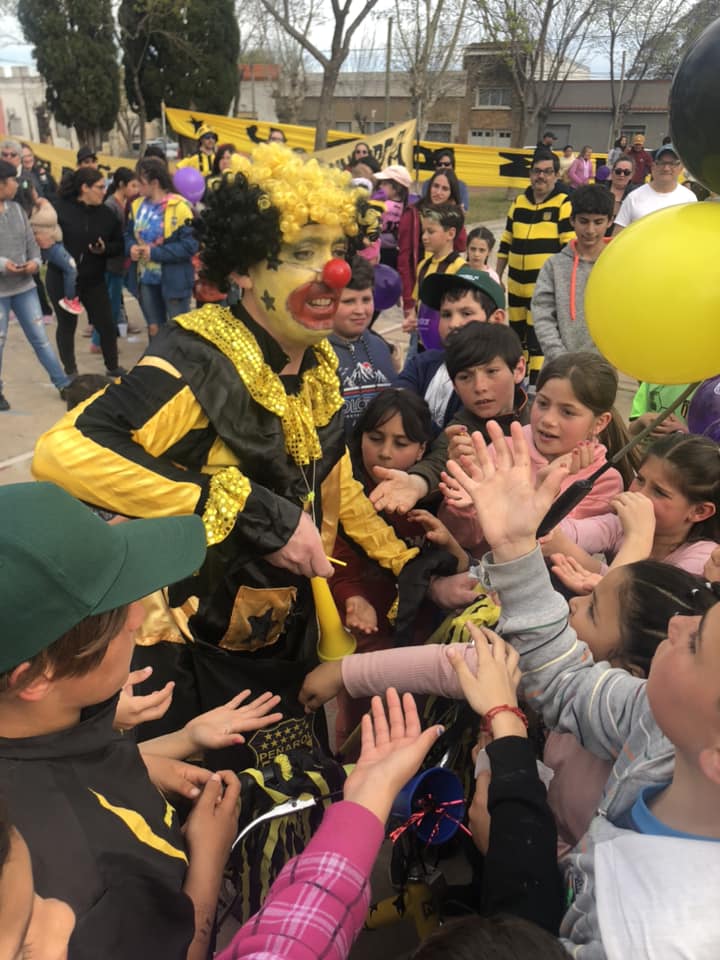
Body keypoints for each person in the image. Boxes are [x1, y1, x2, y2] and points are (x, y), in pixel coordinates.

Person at [33, 144, 463, 766]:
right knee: (212, 803)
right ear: (244, 268)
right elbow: (65, 452)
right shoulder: (200, 357)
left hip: (277, 634)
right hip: (189, 645)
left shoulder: (316, 364)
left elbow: (326, 482)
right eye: (300, 254)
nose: (334, 275)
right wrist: (243, 509)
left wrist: (406, 556)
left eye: (336, 252)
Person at [442, 421, 720, 958]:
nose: (682, 623)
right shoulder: (664, 730)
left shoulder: (658, 940)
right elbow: (566, 680)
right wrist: (516, 549)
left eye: (697, 642)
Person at [302, 559, 715, 861]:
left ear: (627, 672)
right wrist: (346, 671)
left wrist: (513, 834)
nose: (573, 602)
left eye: (592, 610)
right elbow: (459, 663)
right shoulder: (584, 682)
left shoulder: (644, 790)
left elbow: (575, 877)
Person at [0, 481, 244, 959]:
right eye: (115, 612)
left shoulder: (50, 721)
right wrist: (209, 862)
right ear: (35, 679)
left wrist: (142, 757)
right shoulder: (79, 893)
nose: (138, 616)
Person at [438, 350, 628, 554]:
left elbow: (551, 548)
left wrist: (546, 486)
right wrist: (465, 496)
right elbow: (462, 537)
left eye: (567, 412)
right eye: (543, 403)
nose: (548, 419)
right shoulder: (504, 451)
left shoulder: (602, 481)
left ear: (600, 422)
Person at [370, 322, 528, 517]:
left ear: (519, 369)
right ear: (454, 386)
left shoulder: (542, 412)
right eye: (465, 377)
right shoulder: (460, 431)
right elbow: (438, 462)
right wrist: (416, 483)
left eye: (491, 372)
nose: (479, 386)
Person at [545, 432, 720, 576]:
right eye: (640, 479)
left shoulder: (704, 558)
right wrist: (548, 484)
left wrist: (638, 538)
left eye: (659, 492)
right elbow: (564, 533)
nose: (639, 493)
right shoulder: (621, 525)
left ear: (700, 511)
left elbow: (637, 601)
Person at [394, 266, 506, 432]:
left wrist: (412, 421)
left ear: (496, 319)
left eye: (466, 313)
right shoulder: (422, 364)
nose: (453, 324)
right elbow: (394, 407)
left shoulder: (499, 381)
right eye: (446, 315)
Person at [496, 149, 574, 387]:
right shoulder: (519, 202)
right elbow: (506, 240)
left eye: (547, 172)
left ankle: (535, 389)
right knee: (516, 338)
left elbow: (569, 248)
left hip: (543, 288)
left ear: (556, 174)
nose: (541, 176)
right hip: (516, 286)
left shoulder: (563, 202)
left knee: (538, 339)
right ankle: (515, 385)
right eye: (537, 171)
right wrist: (496, 275)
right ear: (530, 174)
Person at [0, 160, 72, 410]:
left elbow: (31, 242)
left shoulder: (17, 210)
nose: (15, 185)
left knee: (40, 338)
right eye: (11, 181)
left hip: (24, 287)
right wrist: (4, 264)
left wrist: (33, 262)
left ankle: (63, 384)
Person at [48, 167, 125, 378]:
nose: (104, 191)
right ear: (85, 188)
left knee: (107, 324)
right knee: (67, 325)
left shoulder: (107, 215)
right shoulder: (59, 209)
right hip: (62, 279)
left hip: (93, 278)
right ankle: (71, 372)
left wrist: (105, 249)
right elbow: (42, 236)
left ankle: (112, 366)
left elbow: (119, 245)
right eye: (100, 187)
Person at [533, 184, 614, 360]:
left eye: (598, 222)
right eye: (584, 221)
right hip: (562, 367)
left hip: (610, 368)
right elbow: (542, 315)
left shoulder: (620, 263)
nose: (590, 230)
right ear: (572, 220)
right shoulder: (554, 265)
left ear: (609, 221)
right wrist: (559, 358)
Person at [126, 157, 198, 337]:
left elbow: (190, 246)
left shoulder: (180, 207)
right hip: (146, 281)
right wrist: (131, 248)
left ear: (155, 183)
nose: (138, 187)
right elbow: (127, 234)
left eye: (141, 183)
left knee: (177, 332)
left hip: (174, 280)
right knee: (154, 330)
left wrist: (155, 253)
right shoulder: (136, 206)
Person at [328, 256, 396, 437]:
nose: (360, 310)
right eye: (349, 301)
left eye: (366, 300)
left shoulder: (381, 347)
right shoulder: (313, 353)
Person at [398, 168, 467, 328]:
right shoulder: (414, 214)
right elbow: (404, 259)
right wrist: (408, 301)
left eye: (445, 189)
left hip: (444, 281)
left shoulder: (451, 217)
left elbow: (461, 245)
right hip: (420, 280)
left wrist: (456, 217)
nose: (438, 192)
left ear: (452, 193)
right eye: (435, 186)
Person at [613, 142, 697, 233]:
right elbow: (617, 235)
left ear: (681, 168)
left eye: (672, 163)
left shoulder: (689, 199)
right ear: (653, 166)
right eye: (662, 163)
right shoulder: (634, 197)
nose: (666, 168)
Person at [29, 187, 83, 315]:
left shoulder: (41, 203)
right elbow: (45, 220)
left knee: (70, 267)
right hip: (49, 246)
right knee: (71, 267)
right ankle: (69, 299)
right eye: (32, 190)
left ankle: (70, 297)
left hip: (55, 242)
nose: (35, 191)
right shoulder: (31, 212)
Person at [374, 164, 411, 270]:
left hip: (381, 251)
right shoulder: (403, 205)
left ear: (396, 189)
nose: (380, 186)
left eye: (385, 184)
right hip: (393, 250)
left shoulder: (385, 207)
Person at [603, 154, 635, 232]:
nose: (622, 175)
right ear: (612, 172)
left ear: (631, 175)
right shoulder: (600, 191)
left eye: (626, 172)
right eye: (618, 171)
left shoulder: (635, 195)